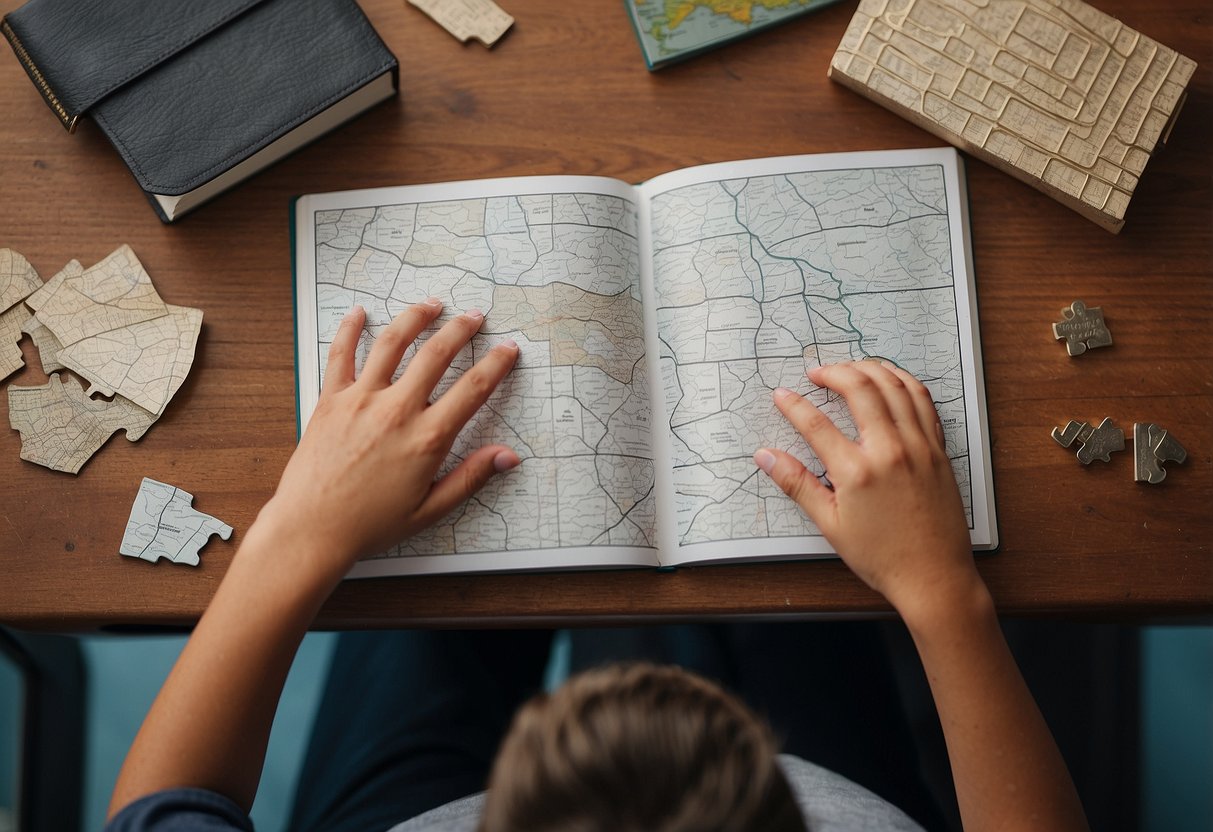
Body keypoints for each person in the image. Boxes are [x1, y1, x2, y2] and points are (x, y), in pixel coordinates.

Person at [105, 301, 1090, 831]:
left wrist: (300, 529)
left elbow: (161, 807)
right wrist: (940, 590)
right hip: (852, 780)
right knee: (802, 599)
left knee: (443, 568)